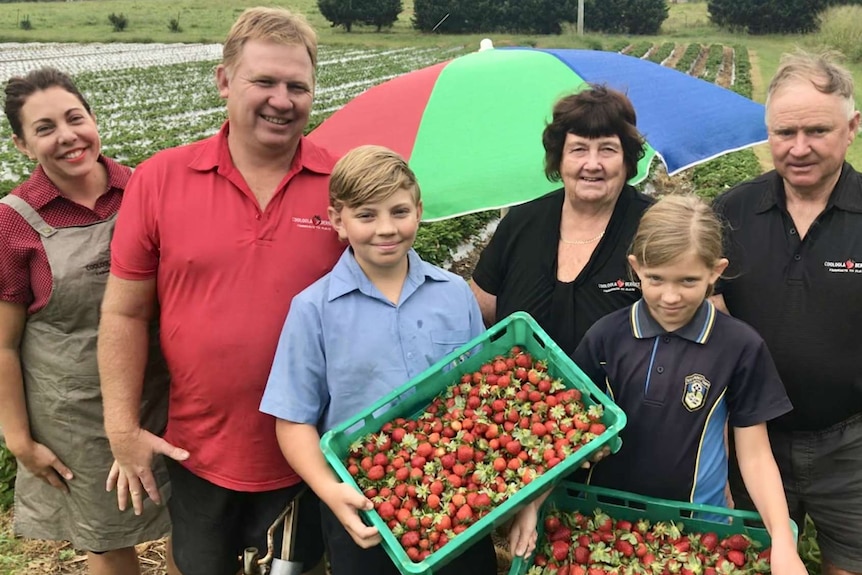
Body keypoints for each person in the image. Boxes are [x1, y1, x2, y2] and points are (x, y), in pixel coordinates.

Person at [97, 7, 344, 575]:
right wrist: (122, 429)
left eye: (297, 86)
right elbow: (124, 313)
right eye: (264, 81)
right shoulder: (161, 178)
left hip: (309, 449)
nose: (282, 100)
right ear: (224, 81)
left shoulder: (342, 185)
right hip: (198, 449)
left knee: (295, 568)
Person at [259, 145, 539, 574]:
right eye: (366, 215)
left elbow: (486, 389)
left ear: (419, 210)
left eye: (399, 211)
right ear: (338, 220)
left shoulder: (452, 294)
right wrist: (330, 491)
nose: (386, 229)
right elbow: (293, 419)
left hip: (458, 495)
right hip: (365, 504)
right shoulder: (314, 310)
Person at [572, 194, 806, 574]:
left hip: (697, 530)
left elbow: (755, 454)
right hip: (604, 523)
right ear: (635, 268)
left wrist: (781, 539)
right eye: (655, 279)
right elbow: (571, 431)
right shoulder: (607, 336)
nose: (670, 296)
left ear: (716, 272)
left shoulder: (739, 346)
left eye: (689, 281)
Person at [0, 68, 171, 574]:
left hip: (164, 393)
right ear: (23, 144)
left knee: (191, 528)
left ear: (94, 120)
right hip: (76, 415)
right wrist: (18, 439)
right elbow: (4, 345)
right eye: (45, 128)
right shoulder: (12, 221)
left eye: (75, 118)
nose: (68, 136)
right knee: (105, 538)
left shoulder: (146, 189)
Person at [712, 50, 862, 575]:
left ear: (852, 127)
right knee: (755, 562)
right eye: (783, 133)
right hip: (753, 440)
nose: (799, 149)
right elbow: (704, 313)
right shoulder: (731, 211)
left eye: (817, 131)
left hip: (851, 444)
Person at [470, 85, 653, 355]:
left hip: (618, 397)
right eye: (578, 149)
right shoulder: (521, 223)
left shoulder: (655, 229)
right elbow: (481, 313)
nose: (592, 164)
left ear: (627, 159)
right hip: (523, 393)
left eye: (607, 149)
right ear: (559, 159)